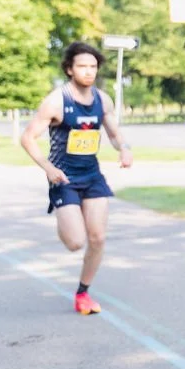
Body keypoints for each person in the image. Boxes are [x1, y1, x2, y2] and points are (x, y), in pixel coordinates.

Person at [21, 42, 133, 314]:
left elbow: (114, 134)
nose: (88, 71)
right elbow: (27, 138)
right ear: (70, 69)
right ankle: (63, 216)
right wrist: (47, 167)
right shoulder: (57, 101)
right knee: (75, 242)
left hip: (92, 176)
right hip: (64, 178)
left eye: (93, 66)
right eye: (82, 66)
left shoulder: (102, 99)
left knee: (97, 239)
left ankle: (83, 293)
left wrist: (125, 150)